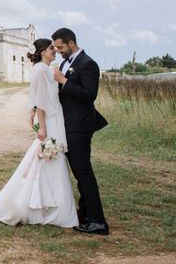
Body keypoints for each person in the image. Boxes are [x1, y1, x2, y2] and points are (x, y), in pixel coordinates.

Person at [0, 38, 78, 228]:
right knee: (48, 159)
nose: (55, 51)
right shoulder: (41, 70)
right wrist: (42, 126)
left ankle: (48, 206)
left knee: (50, 161)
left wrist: (34, 111)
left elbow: (37, 98)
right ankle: (46, 208)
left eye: (55, 48)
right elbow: (41, 101)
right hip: (49, 121)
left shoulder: (45, 70)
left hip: (55, 119)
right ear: (42, 51)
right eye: (51, 48)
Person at [52, 28, 109, 235]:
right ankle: (85, 212)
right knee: (79, 172)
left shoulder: (88, 64)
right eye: (56, 47)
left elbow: (89, 95)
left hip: (80, 127)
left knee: (83, 172)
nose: (57, 51)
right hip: (69, 126)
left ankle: (98, 221)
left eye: (60, 47)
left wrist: (63, 81)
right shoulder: (66, 63)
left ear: (71, 44)